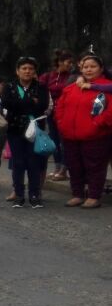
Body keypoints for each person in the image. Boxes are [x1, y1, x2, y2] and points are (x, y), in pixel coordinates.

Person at [55, 53, 112, 208]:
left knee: (95, 167)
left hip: (96, 136)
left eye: (93, 66)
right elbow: (60, 106)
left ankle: (94, 196)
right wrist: (61, 123)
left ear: (101, 69)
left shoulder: (107, 87)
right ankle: (77, 194)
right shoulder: (71, 87)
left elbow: (110, 112)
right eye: (85, 67)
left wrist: (97, 124)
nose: (88, 70)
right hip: (70, 135)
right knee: (74, 165)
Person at [2, 56, 51, 208]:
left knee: (34, 162)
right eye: (24, 68)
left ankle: (35, 195)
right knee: (18, 162)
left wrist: (21, 105)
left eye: (30, 68)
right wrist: (30, 102)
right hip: (15, 129)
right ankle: (18, 195)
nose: (27, 71)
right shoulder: (9, 86)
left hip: (35, 130)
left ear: (34, 71)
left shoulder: (41, 87)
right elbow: (7, 104)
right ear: (17, 71)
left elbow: (42, 105)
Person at [40, 49, 75, 181]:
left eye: (72, 62)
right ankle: (57, 167)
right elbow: (39, 86)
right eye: (68, 62)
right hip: (50, 112)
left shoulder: (72, 76)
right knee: (54, 140)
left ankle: (64, 169)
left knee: (64, 141)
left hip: (65, 112)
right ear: (60, 62)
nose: (70, 65)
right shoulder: (49, 76)